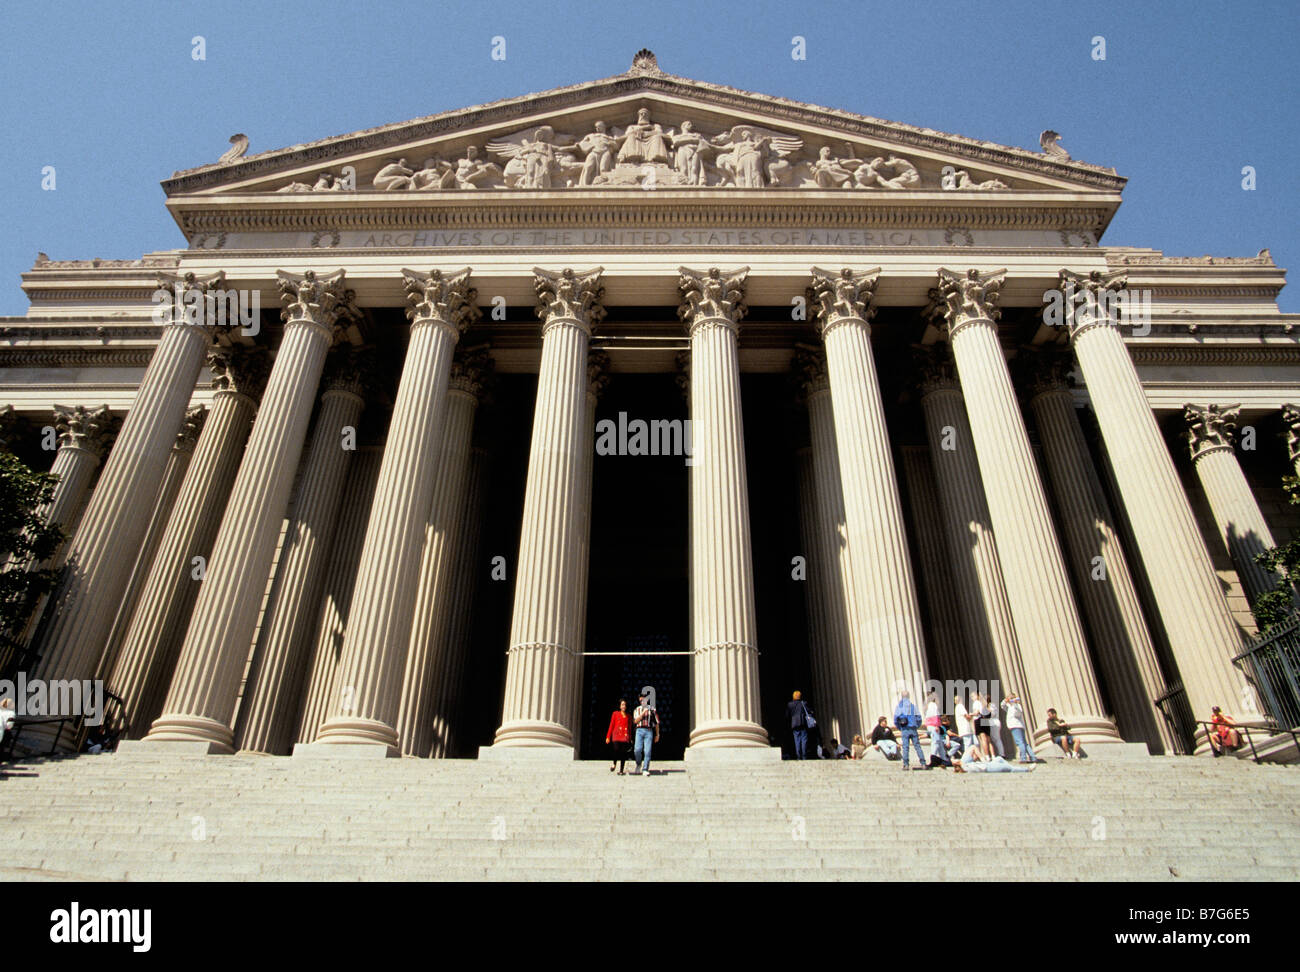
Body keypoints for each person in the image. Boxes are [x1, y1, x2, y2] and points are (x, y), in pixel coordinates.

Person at [893, 690, 926, 770]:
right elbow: (919, 718)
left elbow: (895, 720)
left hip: (904, 729)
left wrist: (900, 728)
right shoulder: (913, 706)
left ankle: (906, 764)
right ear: (908, 696)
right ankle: (923, 763)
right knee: (917, 746)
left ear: (902, 697)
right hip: (913, 729)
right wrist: (916, 726)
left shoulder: (899, 707)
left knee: (905, 747)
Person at [1002, 690, 1037, 763]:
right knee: (1024, 742)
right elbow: (1002, 705)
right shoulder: (1010, 706)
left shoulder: (1017, 706)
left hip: (1016, 725)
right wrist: (1006, 701)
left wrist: (1014, 704)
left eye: (1010, 698)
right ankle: (1033, 757)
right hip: (1017, 725)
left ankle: (1023, 758)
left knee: (1020, 742)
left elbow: (1016, 714)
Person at [631, 692, 660, 776]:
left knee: (647, 751)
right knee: (637, 749)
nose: (642, 700)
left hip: (648, 731)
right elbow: (635, 721)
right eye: (640, 699)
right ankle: (638, 764)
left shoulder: (652, 709)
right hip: (639, 730)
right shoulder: (637, 709)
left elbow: (656, 723)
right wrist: (643, 713)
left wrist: (657, 734)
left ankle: (645, 768)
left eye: (643, 699)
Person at [923, 691, 952, 767]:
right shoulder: (933, 705)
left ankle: (944, 759)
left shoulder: (928, 706)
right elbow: (935, 716)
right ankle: (933, 757)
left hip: (930, 726)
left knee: (939, 743)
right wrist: (936, 725)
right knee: (936, 742)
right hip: (934, 726)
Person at [605, 698, 631, 774]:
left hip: (625, 737)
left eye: (625, 705)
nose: (624, 706)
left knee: (623, 753)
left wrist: (630, 738)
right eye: (622, 704)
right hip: (616, 735)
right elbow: (611, 725)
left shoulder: (629, 716)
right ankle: (614, 764)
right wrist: (608, 736)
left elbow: (629, 728)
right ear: (619, 706)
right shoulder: (615, 714)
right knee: (616, 749)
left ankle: (621, 770)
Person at [787, 690, 814, 760]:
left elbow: (787, 715)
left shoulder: (790, 704)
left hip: (794, 724)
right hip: (803, 723)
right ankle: (804, 756)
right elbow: (809, 711)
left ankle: (798, 756)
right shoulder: (803, 703)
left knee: (797, 740)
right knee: (804, 740)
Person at [972, 692, 994, 760]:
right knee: (988, 740)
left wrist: (970, 714)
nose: (971, 698)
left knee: (983, 739)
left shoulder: (976, 702)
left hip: (979, 719)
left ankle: (987, 756)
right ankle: (993, 755)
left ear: (977, 696)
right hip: (985, 719)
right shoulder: (983, 702)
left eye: (972, 696)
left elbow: (977, 712)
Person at [986, 692, 1006, 758]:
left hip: (994, 722)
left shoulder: (991, 705)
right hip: (992, 722)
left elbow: (992, 713)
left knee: (996, 739)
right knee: (995, 739)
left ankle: (1002, 754)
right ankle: (1000, 753)